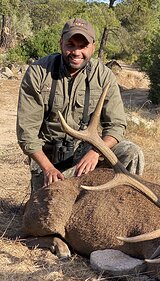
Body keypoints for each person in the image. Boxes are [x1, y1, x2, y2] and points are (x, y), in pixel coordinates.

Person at [17, 18, 144, 193]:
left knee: (131, 152)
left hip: (85, 155)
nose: (76, 52)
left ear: (93, 46)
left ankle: (120, 206)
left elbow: (116, 126)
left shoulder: (104, 76)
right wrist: (48, 168)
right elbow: (26, 134)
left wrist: (95, 153)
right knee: (47, 210)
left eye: (83, 46)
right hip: (48, 161)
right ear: (61, 42)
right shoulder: (38, 72)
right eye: (71, 45)